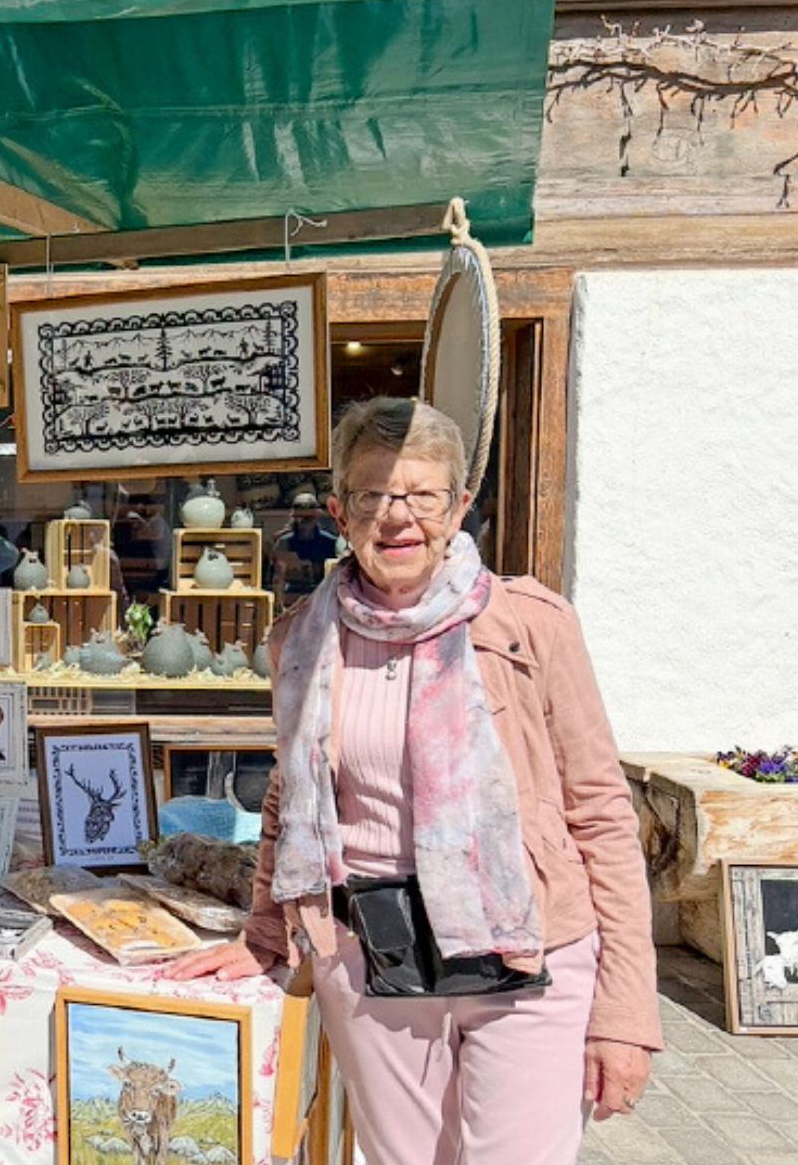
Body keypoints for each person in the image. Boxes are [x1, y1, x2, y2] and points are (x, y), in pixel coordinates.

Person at [167, 398, 659, 1165]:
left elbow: (600, 812)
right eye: (372, 495)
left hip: (527, 954)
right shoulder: (302, 636)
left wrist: (626, 1010)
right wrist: (265, 929)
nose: (397, 518)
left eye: (422, 495)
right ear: (338, 510)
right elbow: (289, 799)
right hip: (368, 955)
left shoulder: (531, 625)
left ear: (460, 505)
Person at [269, 490, 338, 603]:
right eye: (300, 518)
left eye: (308, 518)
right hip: (291, 596)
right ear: (294, 517)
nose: (304, 522)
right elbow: (277, 580)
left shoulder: (330, 542)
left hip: (322, 598)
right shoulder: (284, 543)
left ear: (316, 516)